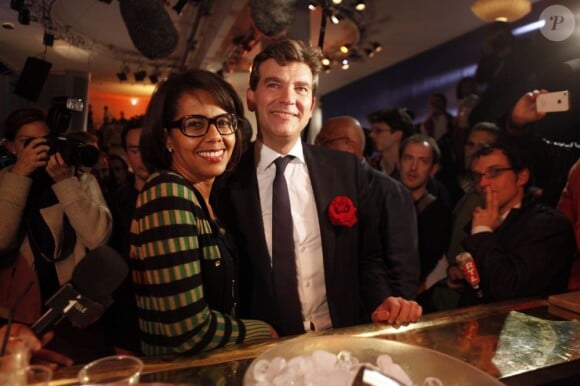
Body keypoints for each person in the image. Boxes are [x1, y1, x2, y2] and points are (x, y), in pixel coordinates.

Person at [214, 39, 422, 338]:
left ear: (311, 105)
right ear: (251, 97)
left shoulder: (344, 170)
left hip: (342, 341)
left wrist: (382, 301)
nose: (288, 98)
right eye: (274, 84)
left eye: (300, 88)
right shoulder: (227, 180)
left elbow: (368, 258)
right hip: (266, 351)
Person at [130, 69, 276, 357]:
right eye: (195, 124)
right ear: (166, 137)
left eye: (224, 122)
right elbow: (189, 332)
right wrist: (264, 331)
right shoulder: (167, 193)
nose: (215, 137)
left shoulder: (207, 198)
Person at [0, 108, 113, 363]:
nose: (40, 150)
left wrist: (65, 183)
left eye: (46, 141)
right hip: (18, 312)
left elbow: (97, 238)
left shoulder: (80, 180)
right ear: (10, 147)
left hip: (74, 310)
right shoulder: (4, 181)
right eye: (28, 143)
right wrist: (19, 176)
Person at [315, 116, 420, 300]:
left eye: (323, 141)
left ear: (350, 145)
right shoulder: (321, 186)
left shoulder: (390, 192)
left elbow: (403, 268)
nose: (316, 148)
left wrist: (395, 313)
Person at [458, 142, 575, 306]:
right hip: (479, 324)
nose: (483, 183)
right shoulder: (484, 218)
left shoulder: (550, 225)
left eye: (494, 172)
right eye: (478, 176)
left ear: (522, 176)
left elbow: (509, 289)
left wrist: (482, 232)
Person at [104, 116, 149, 354]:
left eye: (148, 146)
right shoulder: (117, 201)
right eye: (134, 150)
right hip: (127, 317)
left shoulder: (182, 194)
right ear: (127, 156)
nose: (143, 156)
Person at [398, 135, 451, 293]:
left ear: (433, 169)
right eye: (408, 158)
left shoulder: (439, 213)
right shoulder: (380, 202)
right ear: (398, 161)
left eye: (423, 161)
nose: (413, 167)